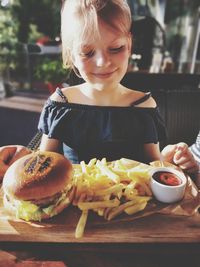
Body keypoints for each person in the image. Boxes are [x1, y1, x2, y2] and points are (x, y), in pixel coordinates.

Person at [0, 1, 197, 181]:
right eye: (87, 52)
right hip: (72, 208)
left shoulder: (143, 106)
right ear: (71, 54)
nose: (102, 62)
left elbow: (154, 165)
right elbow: (44, 164)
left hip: (130, 211)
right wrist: (20, 157)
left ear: (128, 45)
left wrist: (171, 159)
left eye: (116, 48)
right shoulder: (61, 104)